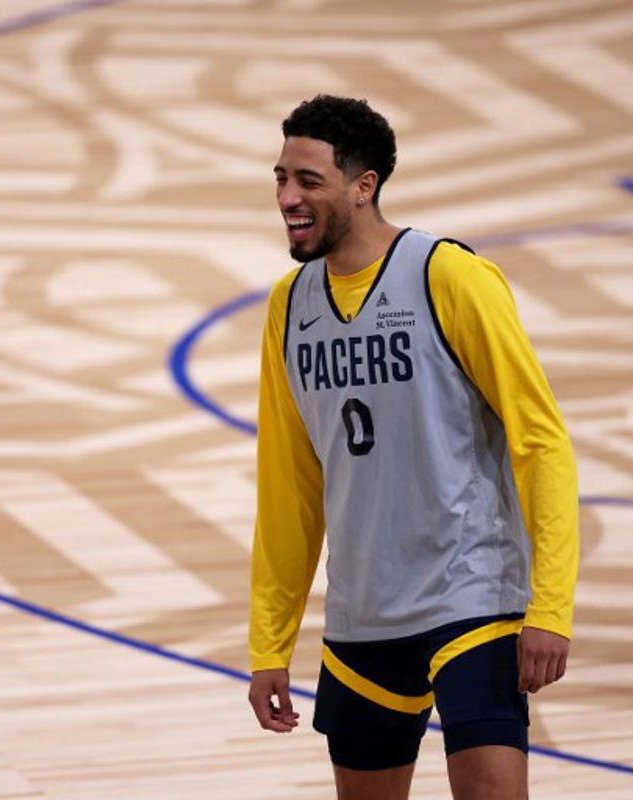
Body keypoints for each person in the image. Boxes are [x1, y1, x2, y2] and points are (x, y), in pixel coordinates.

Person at [247, 94, 579, 800]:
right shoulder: (290, 305)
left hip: (470, 600)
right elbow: (289, 483)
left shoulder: (450, 277)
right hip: (363, 612)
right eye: (281, 179)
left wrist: (550, 607)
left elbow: (541, 441)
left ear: (363, 187)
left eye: (308, 181)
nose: (287, 198)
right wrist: (268, 644)